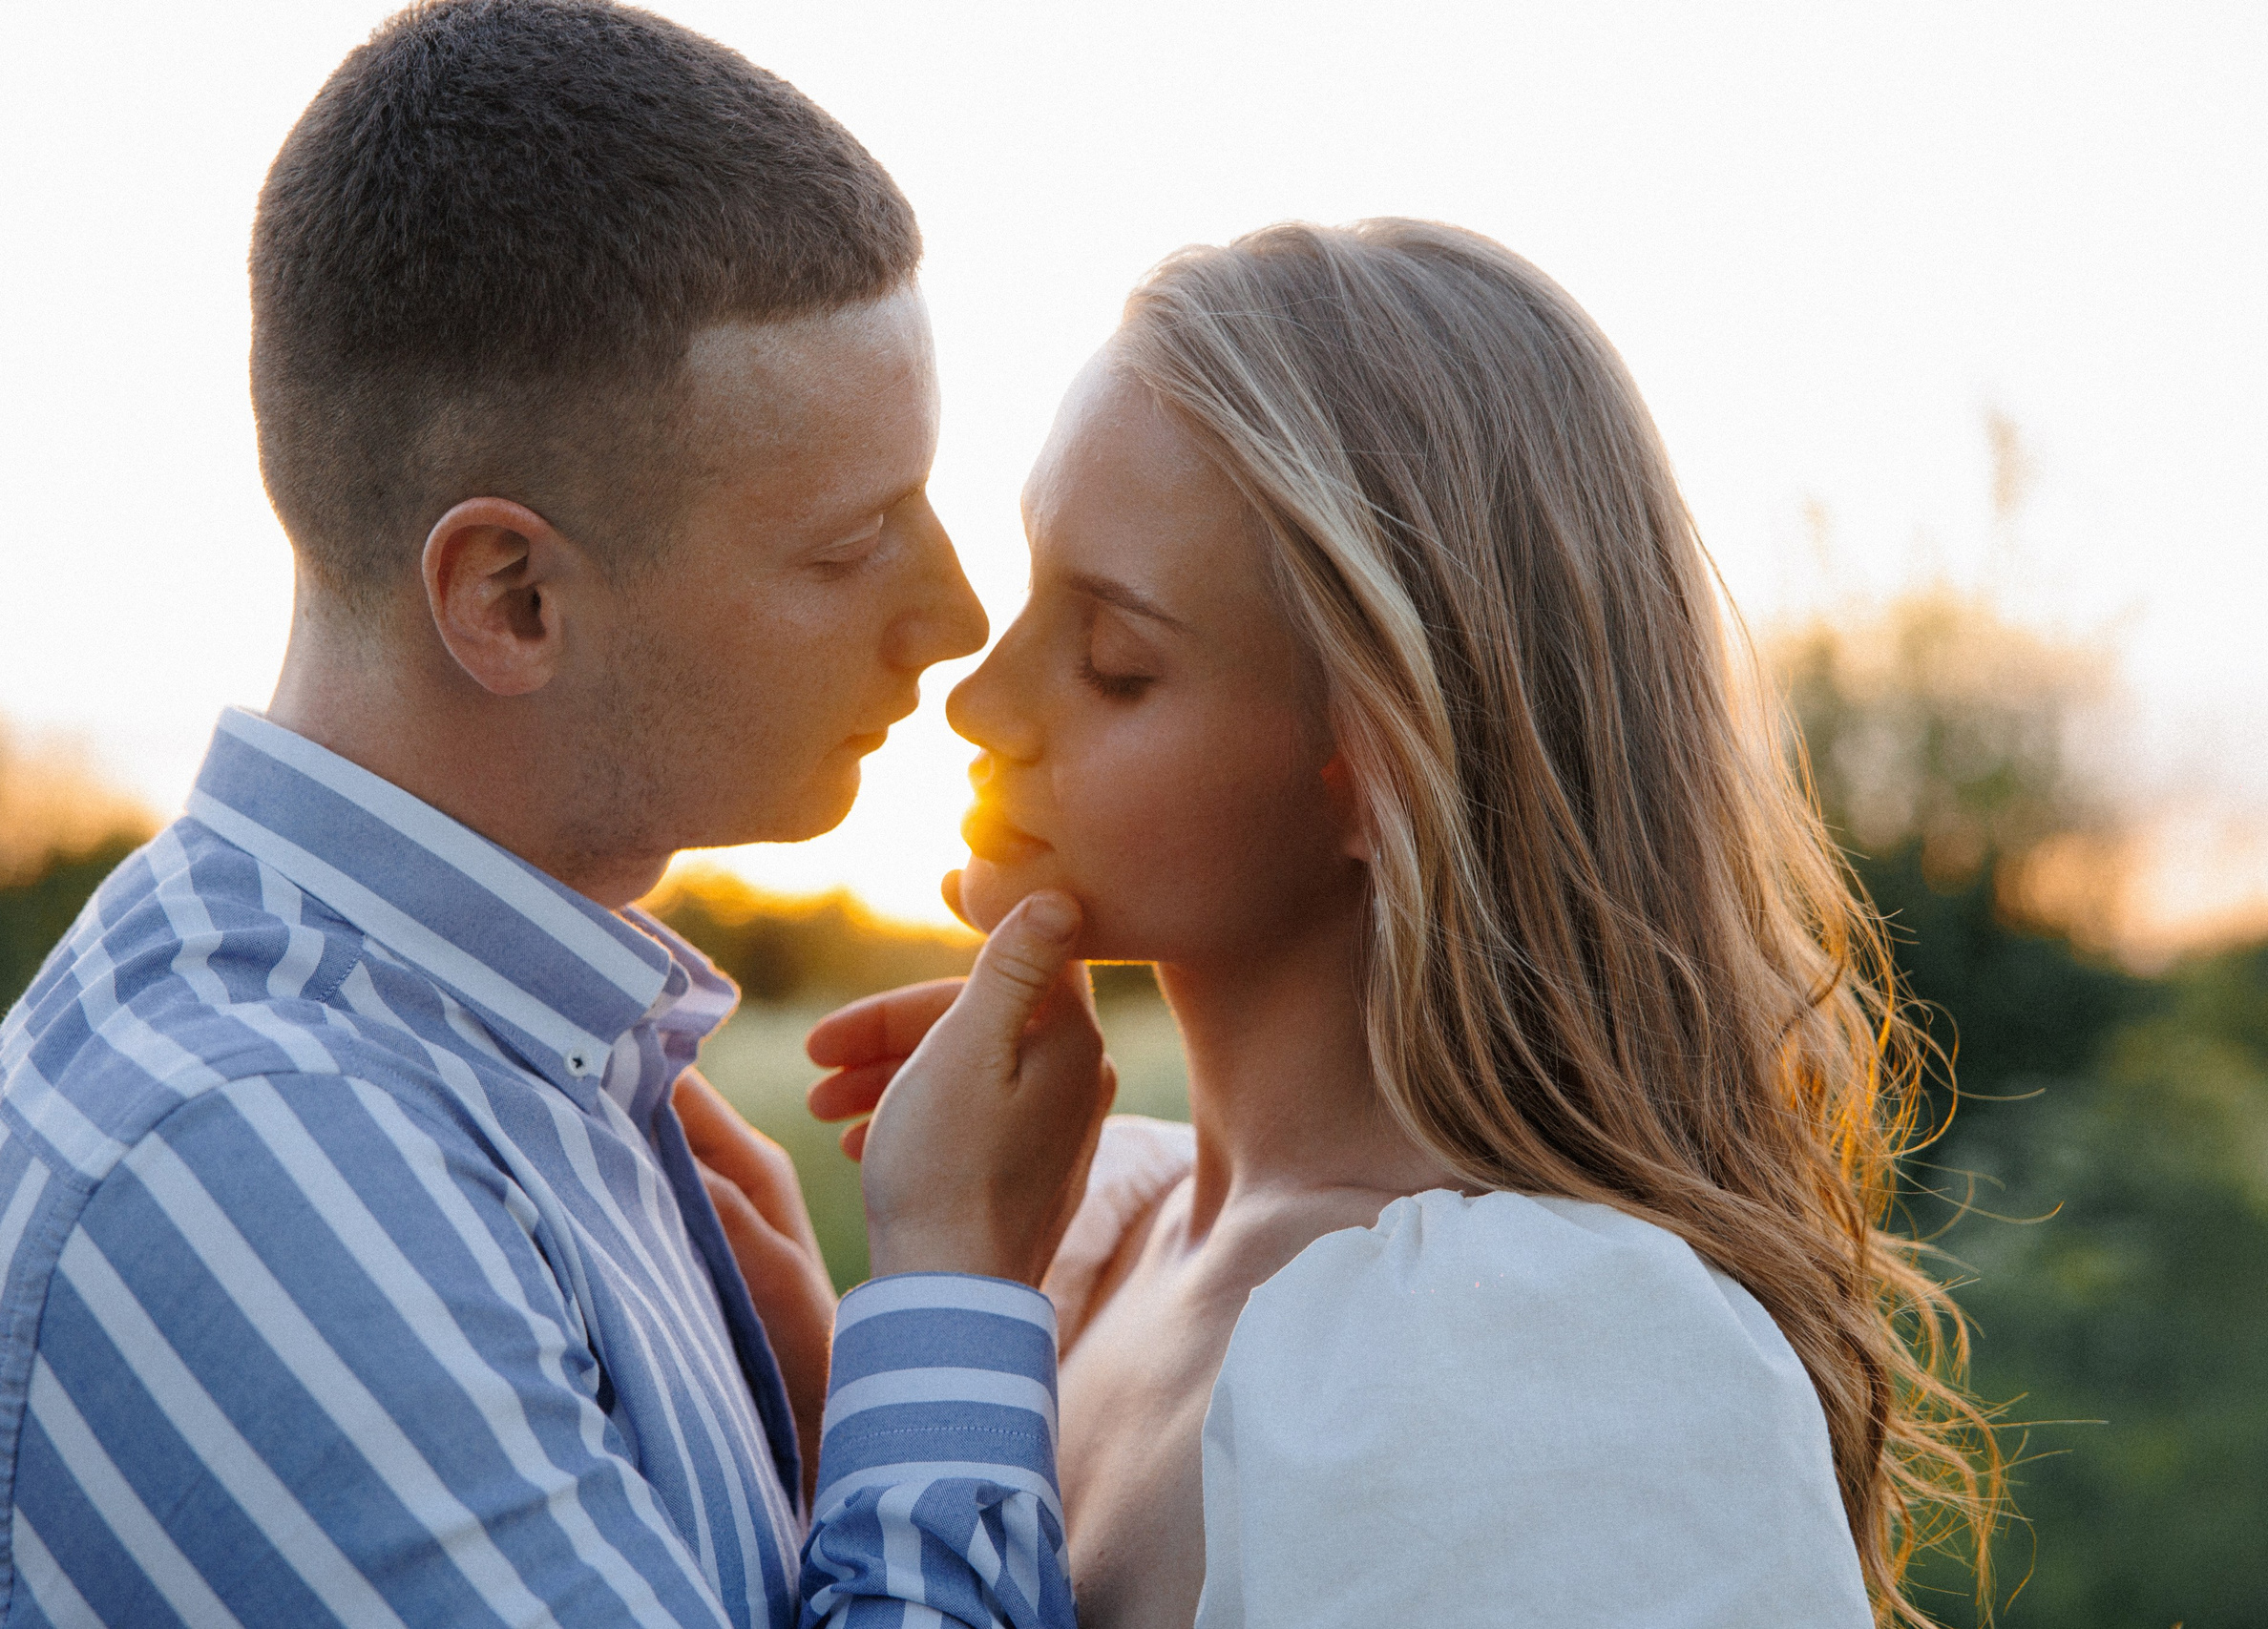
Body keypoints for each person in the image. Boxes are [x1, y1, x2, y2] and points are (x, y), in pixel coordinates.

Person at [0, 4, 1110, 1625]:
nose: (953, 619)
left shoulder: (487, 1080)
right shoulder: (257, 1153)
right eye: (846, 542)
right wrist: (951, 1284)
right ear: (511, 597)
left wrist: (823, 1431)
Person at [808, 219, 2004, 1627]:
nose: (981, 704)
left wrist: (942, 1273)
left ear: (1385, 767)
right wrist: (813, 1343)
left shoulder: (1541, 1369)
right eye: (1031, 597)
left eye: (1116, 661)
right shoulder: (1097, 1238)